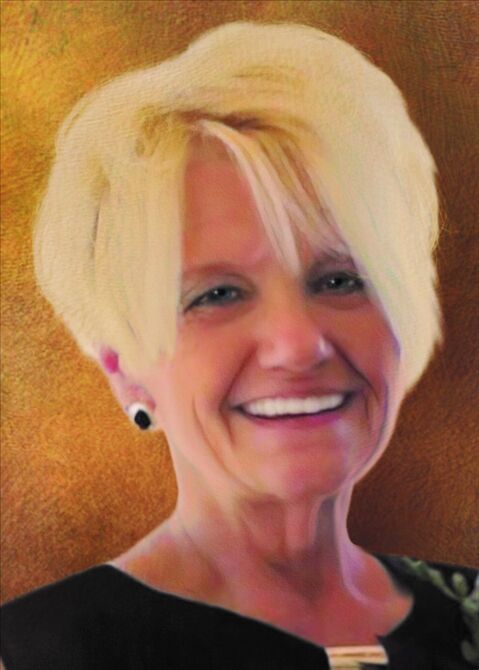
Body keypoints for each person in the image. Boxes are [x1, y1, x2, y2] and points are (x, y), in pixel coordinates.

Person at [1, 20, 478, 670]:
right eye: (217, 295)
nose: (298, 344)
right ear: (123, 367)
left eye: (340, 280)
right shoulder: (37, 652)